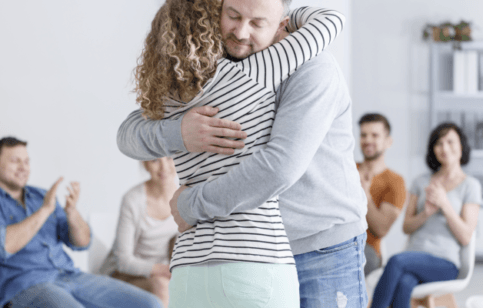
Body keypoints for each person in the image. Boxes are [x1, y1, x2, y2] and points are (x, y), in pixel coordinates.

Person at [117, 0, 368, 307]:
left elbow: (278, 168)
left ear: (281, 24)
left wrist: (191, 205)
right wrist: (179, 132)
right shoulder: (212, 67)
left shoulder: (313, 67)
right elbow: (128, 133)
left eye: (257, 23)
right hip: (250, 252)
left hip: (321, 245)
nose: (240, 32)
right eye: (232, 16)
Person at [0, 137, 163, 308]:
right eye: (15, 161)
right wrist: (44, 210)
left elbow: (82, 243)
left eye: (27, 161)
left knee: (150, 304)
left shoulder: (40, 196)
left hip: (69, 275)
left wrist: (72, 212)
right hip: (24, 285)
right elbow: (0, 246)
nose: (23, 167)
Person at [370, 123, 481, 308]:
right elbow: (406, 227)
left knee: (396, 261)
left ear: (461, 146)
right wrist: (426, 213)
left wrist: (444, 204)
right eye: (438, 143)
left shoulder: (470, 186)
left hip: (445, 263)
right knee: (405, 283)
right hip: (413, 256)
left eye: (450, 142)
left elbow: (466, 236)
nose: (444, 147)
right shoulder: (420, 181)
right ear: (433, 150)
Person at [100, 158, 179, 308]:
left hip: (163, 273)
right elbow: (123, 262)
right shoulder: (133, 200)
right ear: (145, 164)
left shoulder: (185, 198)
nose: (164, 167)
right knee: (162, 285)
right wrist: (166, 271)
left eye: (170, 158)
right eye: (155, 160)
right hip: (123, 275)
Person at [356, 113, 406, 276]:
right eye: (364, 135)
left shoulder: (395, 182)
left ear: (388, 142)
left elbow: (381, 229)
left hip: (367, 250)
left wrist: (365, 193)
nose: (368, 140)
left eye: (375, 135)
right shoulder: (348, 168)